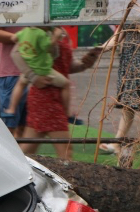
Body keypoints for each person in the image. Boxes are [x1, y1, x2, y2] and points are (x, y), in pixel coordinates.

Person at [20, 29, 98, 160]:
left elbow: (67, 66)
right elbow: (25, 56)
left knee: (29, 149)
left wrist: (86, 63)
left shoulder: (61, 32)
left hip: (50, 98)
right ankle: (67, 178)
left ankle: (13, 173)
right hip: (47, 96)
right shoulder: (40, 32)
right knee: (65, 153)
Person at [97, 25, 140, 166]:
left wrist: (138, 24)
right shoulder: (127, 11)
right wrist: (101, 48)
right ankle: (117, 142)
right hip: (128, 62)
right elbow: (117, 37)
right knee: (128, 105)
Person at [4, 27, 71, 117]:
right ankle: (67, 113)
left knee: (20, 84)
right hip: (43, 70)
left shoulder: (25, 31)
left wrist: (25, 40)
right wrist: (55, 37)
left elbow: (14, 38)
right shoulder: (40, 34)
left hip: (30, 67)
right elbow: (47, 46)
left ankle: (11, 109)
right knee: (66, 84)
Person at [0, 26, 24, 137]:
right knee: (5, 125)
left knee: (24, 126)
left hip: (26, 70)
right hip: (6, 71)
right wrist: (23, 37)